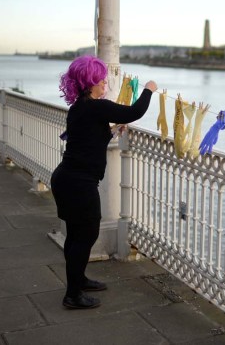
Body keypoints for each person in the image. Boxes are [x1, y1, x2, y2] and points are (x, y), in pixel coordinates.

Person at [50, 55, 157, 309]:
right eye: (101, 79)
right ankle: (72, 295)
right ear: (90, 81)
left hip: (67, 179)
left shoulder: (80, 108)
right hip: (78, 183)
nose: (104, 83)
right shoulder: (97, 107)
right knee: (86, 235)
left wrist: (110, 130)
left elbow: (88, 136)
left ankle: (79, 281)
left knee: (76, 236)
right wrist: (148, 90)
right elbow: (134, 111)